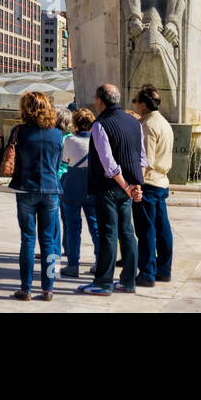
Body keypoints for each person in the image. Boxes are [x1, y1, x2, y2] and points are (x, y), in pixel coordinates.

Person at [78, 83, 145, 296]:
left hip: (108, 186)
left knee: (108, 232)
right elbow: (142, 157)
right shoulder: (135, 123)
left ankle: (103, 283)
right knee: (126, 232)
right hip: (128, 186)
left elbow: (108, 163)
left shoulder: (100, 125)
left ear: (100, 100)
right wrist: (136, 185)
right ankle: (128, 281)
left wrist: (126, 185)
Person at [8, 92, 64, 301]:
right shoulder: (57, 134)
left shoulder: (19, 131)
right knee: (49, 241)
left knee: (28, 240)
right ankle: (48, 288)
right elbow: (57, 165)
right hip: (50, 189)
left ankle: (26, 288)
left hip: (26, 188)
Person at [131, 86, 174, 288]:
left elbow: (145, 160)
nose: (134, 104)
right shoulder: (164, 123)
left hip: (148, 184)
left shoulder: (147, 125)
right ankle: (164, 270)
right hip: (162, 182)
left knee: (146, 230)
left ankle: (147, 273)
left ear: (143, 104)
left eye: (135, 100)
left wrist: (136, 184)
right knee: (162, 228)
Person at [59, 108, 100, 277]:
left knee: (73, 227)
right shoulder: (98, 140)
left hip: (73, 187)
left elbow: (65, 160)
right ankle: (99, 262)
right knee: (95, 226)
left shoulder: (70, 141)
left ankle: (73, 264)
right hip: (92, 186)